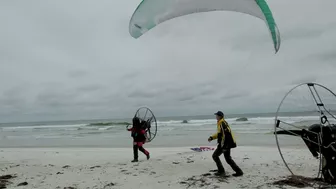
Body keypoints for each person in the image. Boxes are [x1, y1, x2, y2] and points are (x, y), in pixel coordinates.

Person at [208, 111, 243, 177]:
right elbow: (220, 134)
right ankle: (238, 171)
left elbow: (227, 135)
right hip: (224, 144)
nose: (216, 117)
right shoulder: (220, 123)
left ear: (220, 116)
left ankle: (222, 171)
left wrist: (225, 146)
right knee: (227, 158)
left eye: (217, 115)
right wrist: (212, 137)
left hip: (225, 144)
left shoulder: (222, 124)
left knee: (216, 156)